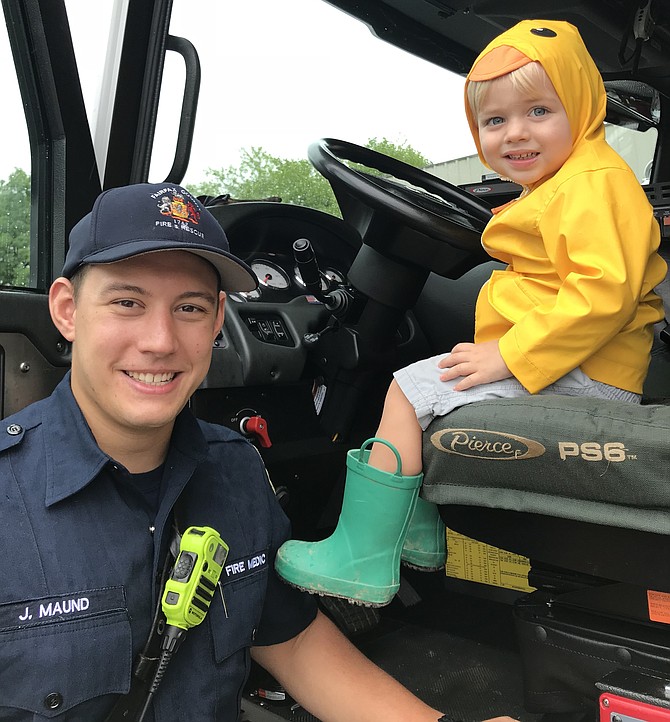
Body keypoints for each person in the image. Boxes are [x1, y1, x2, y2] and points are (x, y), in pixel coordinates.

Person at [0, 182, 516, 722]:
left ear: (219, 319)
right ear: (67, 310)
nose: (160, 340)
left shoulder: (235, 470)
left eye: (190, 308)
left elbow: (291, 642)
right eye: (127, 302)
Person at [275, 19, 668, 606]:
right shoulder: (565, 184)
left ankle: (359, 556)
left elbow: (603, 295)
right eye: (494, 120)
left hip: (586, 377)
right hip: (577, 368)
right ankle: (419, 530)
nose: (516, 133)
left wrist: (508, 354)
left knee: (411, 389)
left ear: (583, 105)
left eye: (539, 111)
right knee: (443, 381)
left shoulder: (592, 185)